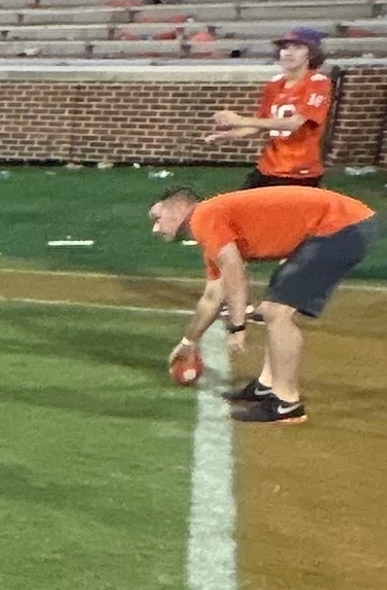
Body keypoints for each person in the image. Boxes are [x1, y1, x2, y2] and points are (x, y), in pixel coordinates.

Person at [154, 179, 374, 423]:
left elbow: (235, 270)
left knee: (276, 312)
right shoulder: (212, 226)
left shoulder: (204, 217)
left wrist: (238, 326)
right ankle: (267, 385)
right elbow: (213, 296)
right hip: (337, 226)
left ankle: (287, 403)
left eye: (157, 217)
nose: (155, 227)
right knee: (274, 309)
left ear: (177, 208)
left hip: (340, 227)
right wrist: (188, 342)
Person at [209, 32, 334, 188]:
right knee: (241, 208)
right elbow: (262, 123)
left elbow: (293, 123)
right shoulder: (274, 84)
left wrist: (240, 120)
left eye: (297, 47)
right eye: (285, 47)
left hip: (299, 170)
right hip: (268, 166)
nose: (289, 52)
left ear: (312, 53)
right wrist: (230, 134)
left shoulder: (317, 83)